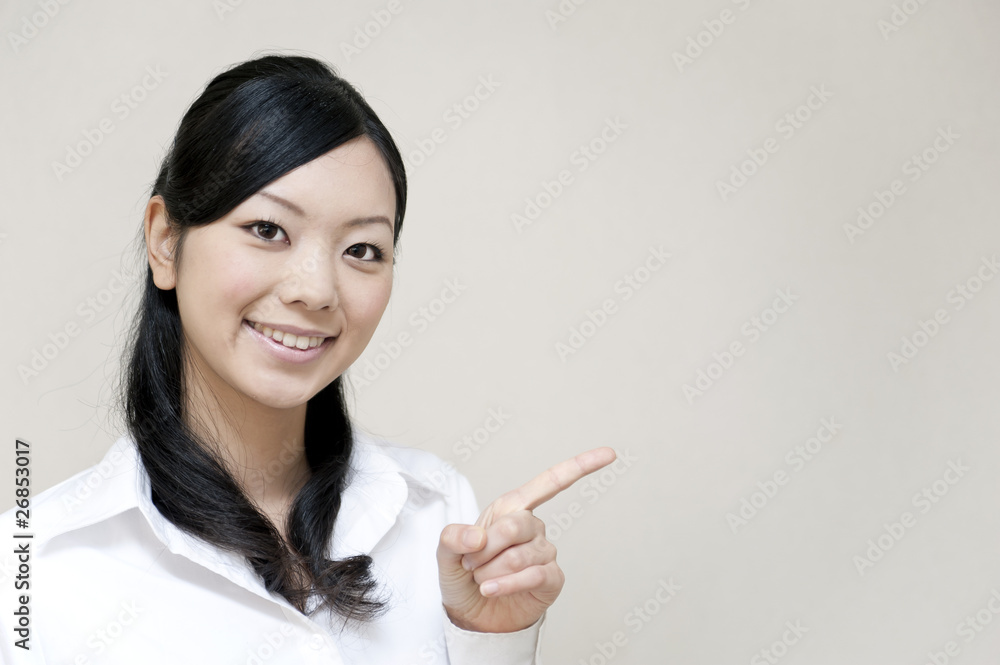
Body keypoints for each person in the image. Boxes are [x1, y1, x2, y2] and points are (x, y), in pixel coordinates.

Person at [0, 54, 614, 664]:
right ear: (165, 241)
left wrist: (492, 638)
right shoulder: (32, 568)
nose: (316, 289)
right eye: (268, 230)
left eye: (363, 248)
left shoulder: (439, 517)